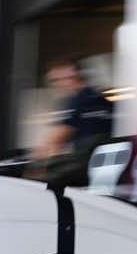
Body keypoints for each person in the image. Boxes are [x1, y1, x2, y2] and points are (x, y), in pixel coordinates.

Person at [34, 57, 114, 187]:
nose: (56, 85)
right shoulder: (102, 100)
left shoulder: (78, 101)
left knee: (38, 185)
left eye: (56, 80)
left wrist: (36, 163)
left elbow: (56, 139)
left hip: (85, 167)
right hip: (106, 168)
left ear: (72, 76)